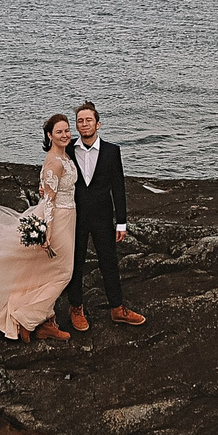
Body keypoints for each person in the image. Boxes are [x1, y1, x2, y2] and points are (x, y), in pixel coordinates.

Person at [0, 113, 78, 342]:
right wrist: (47, 230)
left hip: (68, 216)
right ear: (50, 135)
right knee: (64, 273)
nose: (65, 134)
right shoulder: (54, 162)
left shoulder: (64, 156)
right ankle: (25, 317)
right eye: (59, 131)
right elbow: (49, 199)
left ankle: (41, 321)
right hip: (58, 219)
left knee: (42, 272)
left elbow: (47, 189)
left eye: (67, 130)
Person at [59, 99, 144, 331]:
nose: (84, 124)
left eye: (88, 120)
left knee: (109, 262)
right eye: (80, 121)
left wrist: (122, 222)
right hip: (74, 217)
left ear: (98, 124)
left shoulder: (112, 151)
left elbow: (118, 187)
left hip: (103, 218)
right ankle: (75, 307)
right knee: (74, 263)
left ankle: (118, 308)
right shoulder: (67, 150)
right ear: (76, 126)